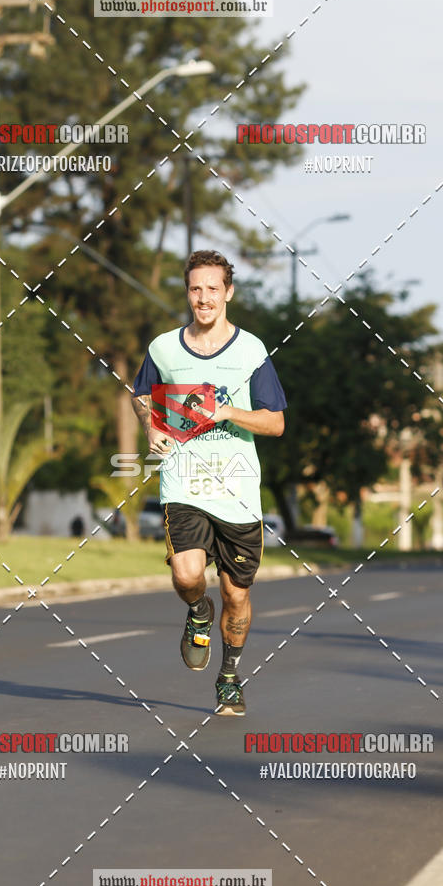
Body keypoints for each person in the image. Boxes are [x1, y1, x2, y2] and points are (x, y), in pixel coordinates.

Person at [131, 250, 286, 716]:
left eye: (212, 289)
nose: (204, 298)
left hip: (237, 488)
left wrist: (226, 412)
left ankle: (230, 675)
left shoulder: (251, 351)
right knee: (186, 573)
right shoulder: (163, 348)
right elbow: (143, 396)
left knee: (237, 595)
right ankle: (198, 611)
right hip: (183, 480)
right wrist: (150, 426)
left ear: (228, 293)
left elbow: (275, 422)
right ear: (188, 292)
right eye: (195, 289)